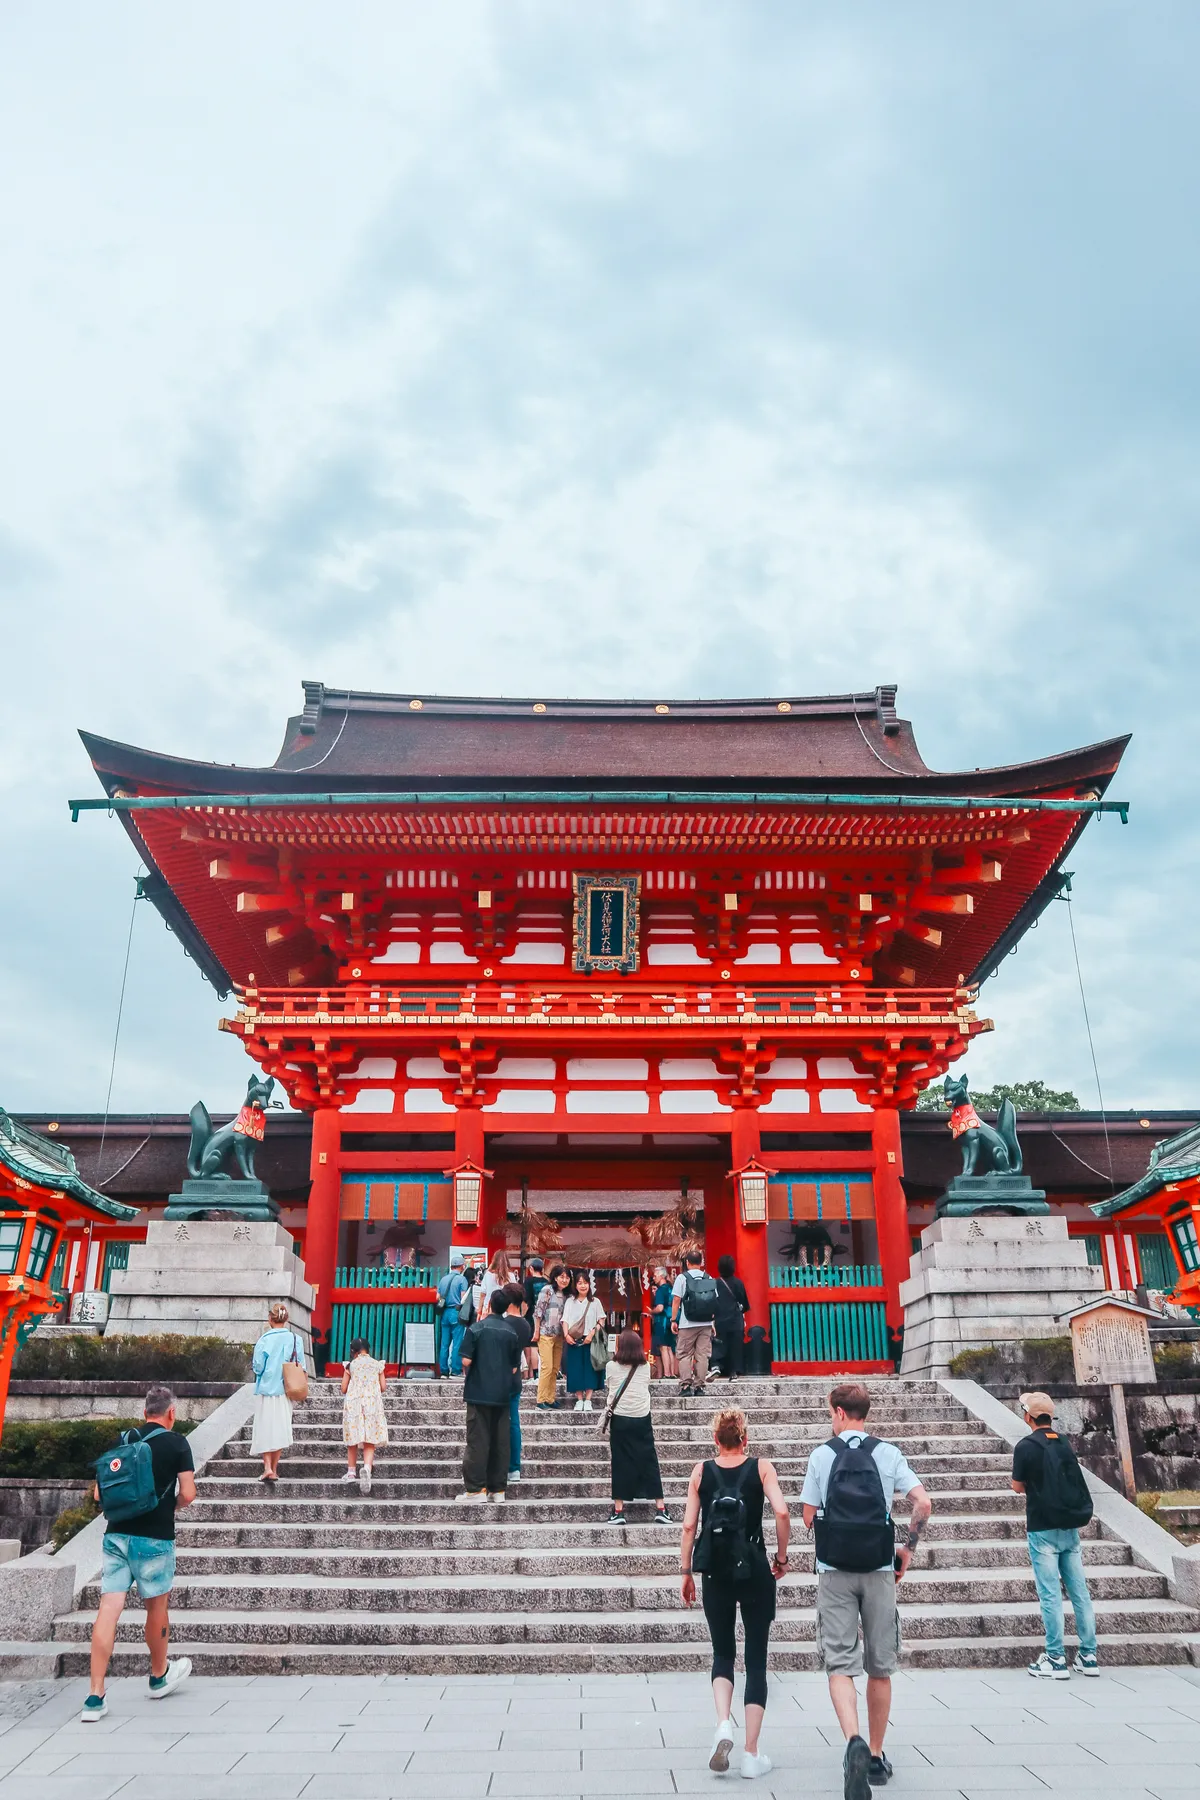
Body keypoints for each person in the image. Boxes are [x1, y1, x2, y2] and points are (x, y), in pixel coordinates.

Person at [800, 1382, 932, 1797]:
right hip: (879, 1568)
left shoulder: (822, 1455)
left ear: (839, 1412)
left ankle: (853, 1741)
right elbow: (923, 1503)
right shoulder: (888, 1453)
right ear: (865, 1412)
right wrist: (907, 1548)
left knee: (840, 1663)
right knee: (880, 1665)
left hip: (834, 1569)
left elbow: (806, 1517)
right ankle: (875, 1756)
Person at [680, 1407, 790, 1780]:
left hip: (715, 1571)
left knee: (722, 1652)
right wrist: (781, 1557)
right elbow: (782, 1512)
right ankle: (751, 1754)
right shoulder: (762, 1468)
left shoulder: (701, 1471)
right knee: (756, 1658)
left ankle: (723, 1724)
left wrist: (685, 1572)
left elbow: (689, 1525)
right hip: (755, 1567)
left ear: (716, 1440)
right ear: (745, 1438)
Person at [81, 1384, 196, 1721]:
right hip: (155, 1538)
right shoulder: (177, 1443)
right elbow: (188, 1493)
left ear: (145, 1410)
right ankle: (159, 1675)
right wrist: (169, 1506)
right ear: (171, 1412)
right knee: (156, 1606)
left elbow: (100, 1495)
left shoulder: (122, 1441)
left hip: (116, 1536)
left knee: (109, 1607)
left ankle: (94, 1696)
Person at [1012, 1391, 1099, 1679]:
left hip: (1042, 1526)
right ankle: (1088, 1655)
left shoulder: (1025, 1446)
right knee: (1080, 1592)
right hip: (1069, 1525)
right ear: (1051, 1416)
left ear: (1028, 1417)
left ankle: (1055, 1657)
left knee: (1050, 1594)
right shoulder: (1064, 1443)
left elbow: (1017, 1486)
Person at [457, 1287, 521, 1502]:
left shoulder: (476, 1329)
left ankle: (475, 1489)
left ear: (490, 1305)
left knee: (477, 1441)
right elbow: (514, 1368)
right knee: (500, 1442)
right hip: (503, 1393)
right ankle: (498, 1490)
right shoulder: (511, 1332)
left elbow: (465, 1360)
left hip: (478, 1391)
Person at [604, 1329, 669, 1525]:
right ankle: (661, 1508)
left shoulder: (610, 1366)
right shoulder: (645, 1368)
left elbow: (610, 1386)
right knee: (649, 1460)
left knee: (620, 1462)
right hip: (641, 1416)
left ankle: (618, 1510)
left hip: (620, 1417)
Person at [251, 1301, 305, 1481]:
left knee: (265, 1427)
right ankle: (274, 1468)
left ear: (270, 1319)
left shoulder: (264, 1340)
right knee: (281, 1427)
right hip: (286, 1389)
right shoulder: (296, 1339)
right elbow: (302, 1366)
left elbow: (258, 1367)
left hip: (267, 1388)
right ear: (286, 1319)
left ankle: (267, 1467)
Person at [339, 1336, 387, 1493]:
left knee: (353, 1437)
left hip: (354, 1403)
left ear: (353, 1351)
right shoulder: (377, 1365)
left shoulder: (350, 1365)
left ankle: (351, 1472)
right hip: (372, 1403)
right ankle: (367, 1467)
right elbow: (383, 1386)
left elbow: (344, 1388)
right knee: (369, 1438)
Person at [671, 1250, 719, 1395]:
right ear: (701, 1262)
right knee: (702, 1356)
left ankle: (686, 1386)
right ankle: (700, 1387)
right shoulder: (708, 1277)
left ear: (687, 1263)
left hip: (687, 1323)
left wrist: (674, 1320)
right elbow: (713, 1302)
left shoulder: (682, 1278)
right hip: (705, 1323)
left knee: (685, 1354)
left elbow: (676, 1300)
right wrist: (712, 1324)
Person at [503, 1283, 534, 1483]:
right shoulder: (525, 1325)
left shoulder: (500, 1322)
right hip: (515, 1380)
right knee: (514, 1423)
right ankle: (514, 1467)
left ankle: (498, 1465)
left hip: (497, 1378)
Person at [562, 1270, 606, 1412]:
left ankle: (588, 1400)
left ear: (589, 1284)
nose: (583, 1286)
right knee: (575, 1371)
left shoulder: (595, 1302)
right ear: (576, 1285)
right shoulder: (570, 1301)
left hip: (590, 1340)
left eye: (585, 1283)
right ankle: (579, 1399)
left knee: (590, 1370)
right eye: (580, 1283)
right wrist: (566, 1335)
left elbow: (601, 1320)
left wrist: (592, 1334)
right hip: (574, 1341)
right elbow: (565, 1320)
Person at [533, 1263, 572, 1408]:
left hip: (559, 1335)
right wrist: (536, 1331)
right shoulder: (547, 1290)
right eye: (562, 1277)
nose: (564, 1280)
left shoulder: (568, 1295)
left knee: (555, 1368)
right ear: (555, 1277)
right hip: (545, 1333)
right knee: (547, 1367)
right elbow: (538, 1312)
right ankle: (541, 1399)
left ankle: (550, 1398)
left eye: (567, 1277)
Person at [713, 1254, 750, 1380]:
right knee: (736, 1346)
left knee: (720, 1344)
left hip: (720, 1319)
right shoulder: (738, 1283)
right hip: (735, 1319)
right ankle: (734, 1370)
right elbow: (744, 1303)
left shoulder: (715, 1283)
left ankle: (718, 1367)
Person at [436, 1252, 470, 1377]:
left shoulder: (443, 1279)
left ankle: (443, 1371)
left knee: (444, 1343)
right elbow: (463, 1299)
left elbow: (437, 1297)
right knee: (457, 1342)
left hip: (444, 1312)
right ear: (461, 1266)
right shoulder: (462, 1279)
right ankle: (455, 1370)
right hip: (456, 1312)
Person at [650, 1264, 677, 1378]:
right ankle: (672, 1373)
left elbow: (660, 1308)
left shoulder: (661, 1290)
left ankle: (666, 1373)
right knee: (670, 1347)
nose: (653, 1278)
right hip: (671, 1320)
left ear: (661, 1276)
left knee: (663, 1347)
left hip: (662, 1321)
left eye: (655, 1275)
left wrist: (652, 1311)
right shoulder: (671, 1288)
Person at [523, 1256, 548, 1376]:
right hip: (545, 1316)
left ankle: (534, 1374)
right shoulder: (547, 1282)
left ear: (531, 1268)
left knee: (532, 1344)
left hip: (531, 1315)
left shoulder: (528, 1281)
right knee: (543, 1344)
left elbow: (526, 1300)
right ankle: (543, 1372)